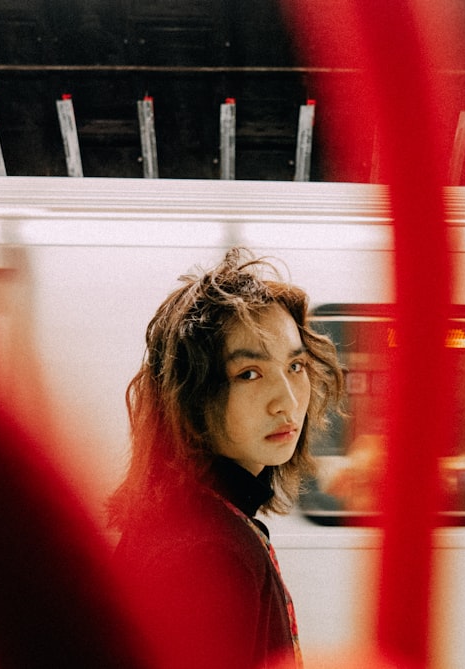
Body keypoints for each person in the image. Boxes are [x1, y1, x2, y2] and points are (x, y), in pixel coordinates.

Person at [107, 248, 344, 669]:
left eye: (295, 365)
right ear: (193, 397)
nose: (288, 402)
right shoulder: (210, 553)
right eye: (248, 373)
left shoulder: (189, 519)